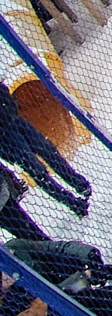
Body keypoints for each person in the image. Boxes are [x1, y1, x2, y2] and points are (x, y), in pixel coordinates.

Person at [0, 81, 89, 218]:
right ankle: (74, 203)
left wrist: (9, 106)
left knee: (49, 151)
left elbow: (4, 90)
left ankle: (81, 185)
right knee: (38, 171)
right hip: (5, 138)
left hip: (15, 121)